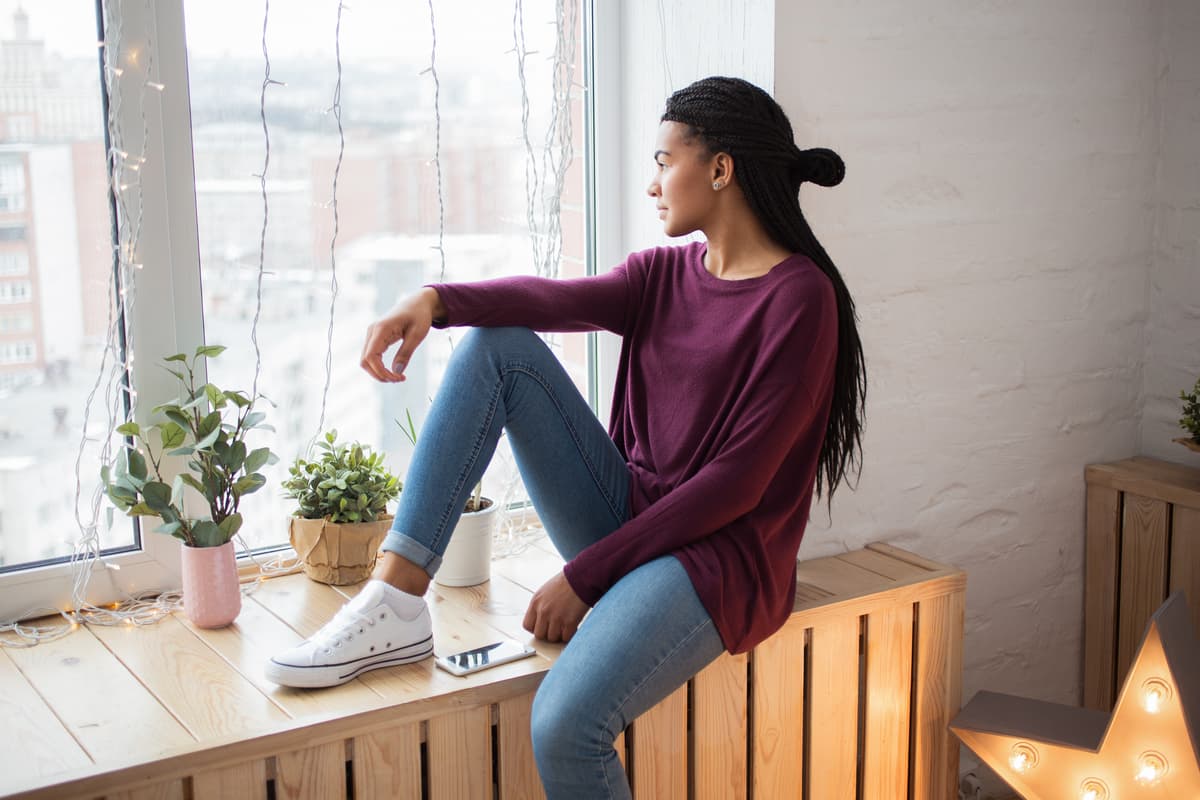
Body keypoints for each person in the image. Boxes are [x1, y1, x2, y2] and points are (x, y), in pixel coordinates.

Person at [265, 75, 866, 799]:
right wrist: (434, 299)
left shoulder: (801, 300)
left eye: (662, 160)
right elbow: (549, 300)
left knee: (563, 726)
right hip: (634, 522)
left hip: (717, 561)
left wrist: (585, 577)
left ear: (719, 168)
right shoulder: (664, 274)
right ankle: (394, 605)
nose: (653, 185)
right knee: (496, 346)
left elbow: (736, 486)